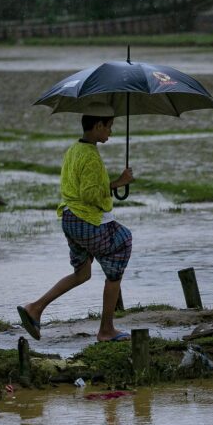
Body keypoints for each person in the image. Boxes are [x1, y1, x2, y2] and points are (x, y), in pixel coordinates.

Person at [17, 102, 135, 342]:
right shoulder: (90, 156)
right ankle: (106, 330)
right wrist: (118, 183)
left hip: (70, 218)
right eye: (109, 126)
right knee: (123, 242)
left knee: (82, 274)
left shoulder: (75, 149)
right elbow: (89, 194)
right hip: (85, 220)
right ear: (98, 125)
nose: (111, 131)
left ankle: (35, 308)